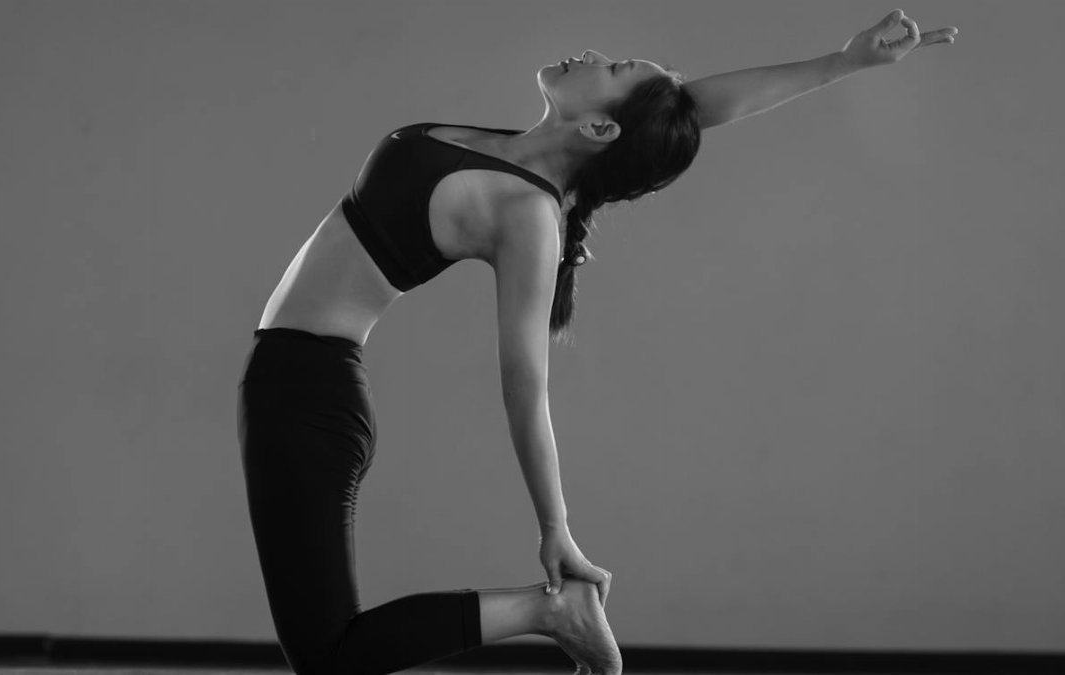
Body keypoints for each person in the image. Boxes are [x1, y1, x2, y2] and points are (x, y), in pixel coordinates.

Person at [236, 12, 957, 675]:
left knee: (329, 655)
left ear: (603, 131)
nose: (596, 56)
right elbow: (688, 109)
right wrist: (843, 60)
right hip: (296, 382)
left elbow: (526, 383)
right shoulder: (527, 157)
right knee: (325, 648)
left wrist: (557, 528)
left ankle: (547, 608)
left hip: (307, 394)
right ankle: (546, 608)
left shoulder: (528, 214)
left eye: (612, 70)